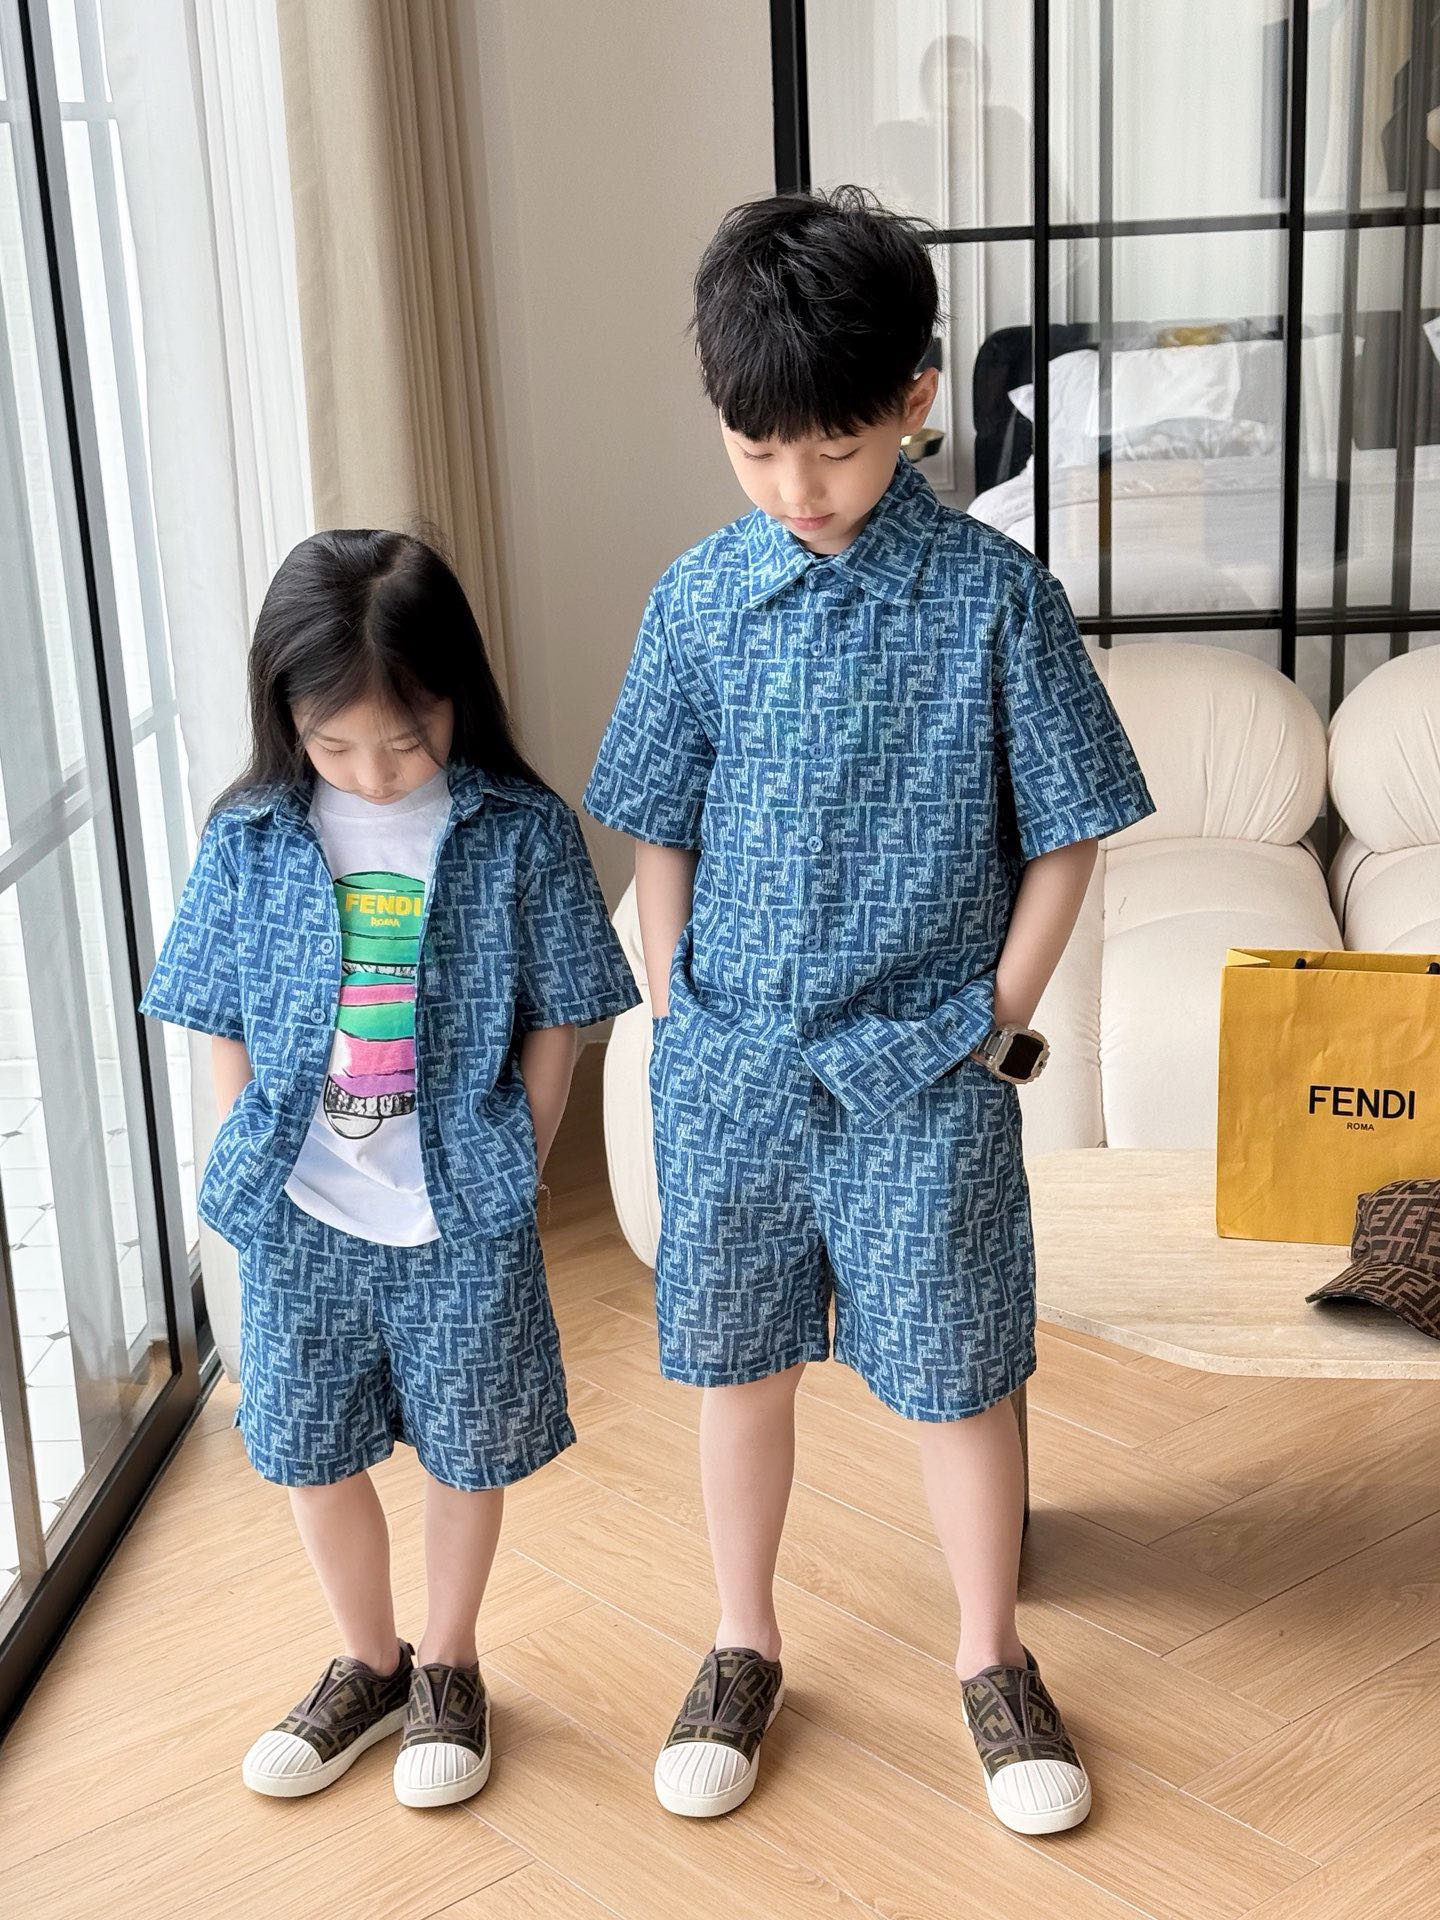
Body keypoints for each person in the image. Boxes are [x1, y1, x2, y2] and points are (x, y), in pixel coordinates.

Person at [582, 187, 1156, 1835]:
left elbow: (1068, 830)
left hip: (926, 1068)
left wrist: (998, 1014)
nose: (797, 488)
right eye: (756, 451)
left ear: (913, 400)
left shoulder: (994, 599)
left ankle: (993, 1657)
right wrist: (675, 1000)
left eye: (831, 450)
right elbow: (660, 815)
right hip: (736, 1062)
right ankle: (740, 1640)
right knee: (738, 1368)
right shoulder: (698, 598)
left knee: (961, 1377)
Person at [141, 529, 640, 1807]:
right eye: (335, 745)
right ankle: (368, 1665)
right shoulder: (250, 833)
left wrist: (525, 1146)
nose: (372, 773)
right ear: (287, 718)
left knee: (467, 1448)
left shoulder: (520, 830)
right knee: (310, 1450)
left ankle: (452, 1665)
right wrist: (247, 1134)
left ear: (457, 697)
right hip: (301, 1208)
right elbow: (210, 1003)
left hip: (459, 1205)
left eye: (404, 743)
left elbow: (563, 1010)